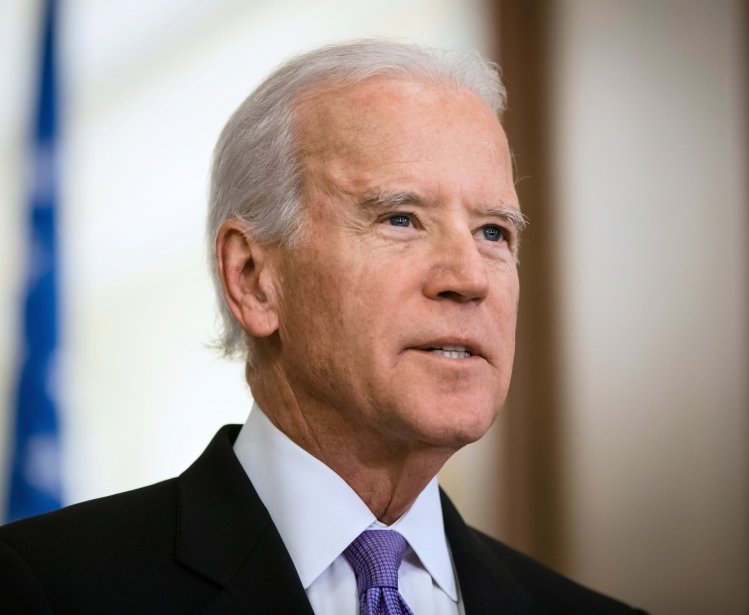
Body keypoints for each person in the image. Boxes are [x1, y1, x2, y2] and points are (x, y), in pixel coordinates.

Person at [0, 40, 647, 614]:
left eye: (492, 232)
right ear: (254, 277)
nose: (469, 277)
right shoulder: (44, 587)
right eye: (400, 218)